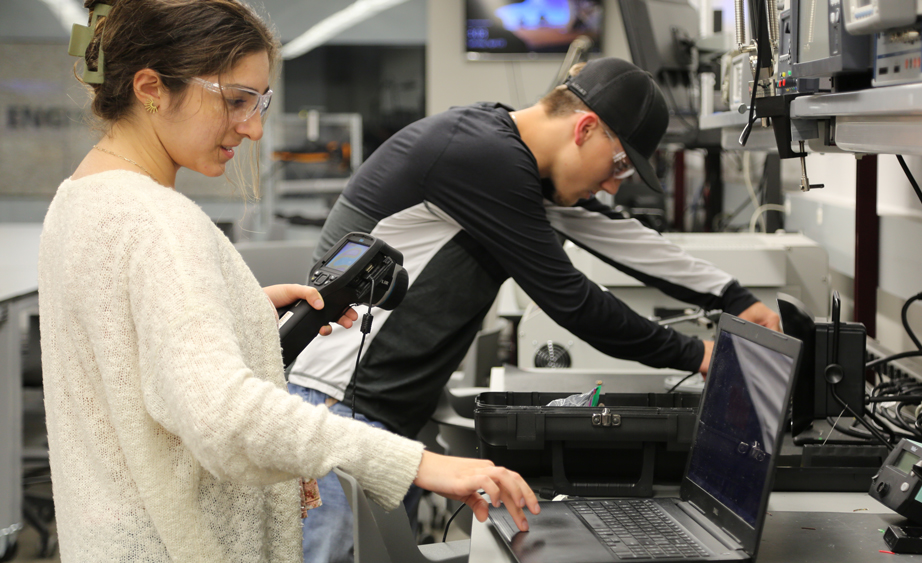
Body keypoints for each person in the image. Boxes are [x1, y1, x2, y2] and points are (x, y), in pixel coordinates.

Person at [39, 1, 538, 561]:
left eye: (261, 103)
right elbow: (225, 417)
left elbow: (127, 358)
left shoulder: (77, 200)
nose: (253, 128)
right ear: (151, 87)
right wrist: (418, 463)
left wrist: (238, 312)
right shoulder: (160, 223)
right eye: (235, 100)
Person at [287, 56, 780, 562]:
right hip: (338, 407)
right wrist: (698, 354)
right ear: (586, 128)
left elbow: (618, 235)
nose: (614, 184)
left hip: (381, 416)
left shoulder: (507, 158)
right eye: (620, 166)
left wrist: (733, 297)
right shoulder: (481, 155)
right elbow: (572, 300)